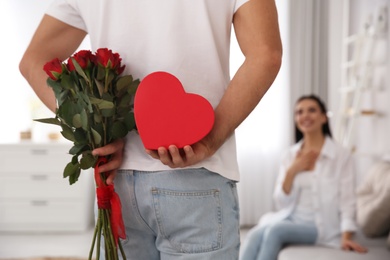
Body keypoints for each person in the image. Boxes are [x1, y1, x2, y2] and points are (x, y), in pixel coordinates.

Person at [19, 0, 282, 259]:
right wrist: (209, 141)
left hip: (116, 181)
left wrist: (96, 127)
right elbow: (265, 55)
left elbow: (33, 61)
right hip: (196, 177)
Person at [239, 95, 368, 260]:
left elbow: (347, 201)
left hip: (320, 226)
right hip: (292, 218)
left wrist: (346, 236)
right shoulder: (290, 155)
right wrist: (293, 170)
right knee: (255, 234)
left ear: (323, 117)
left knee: (275, 231)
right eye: (299, 112)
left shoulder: (341, 155)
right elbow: (281, 203)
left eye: (312, 110)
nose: (304, 115)